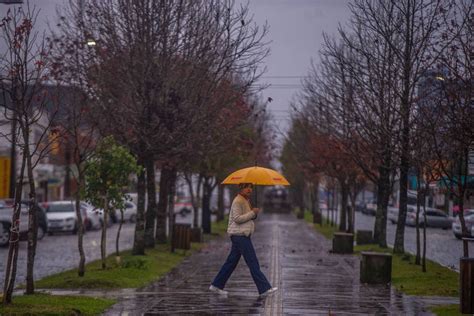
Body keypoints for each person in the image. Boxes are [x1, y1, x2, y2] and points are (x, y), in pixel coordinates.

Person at [209, 182, 278, 297]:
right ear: (241, 188)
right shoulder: (238, 201)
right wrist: (252, 213)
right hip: (239, 236)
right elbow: (237, 219)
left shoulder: (245, 200)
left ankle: (216, 285)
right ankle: (264, 289)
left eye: (251, 187)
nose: (249, 189)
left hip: (242, 235)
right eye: (246, 187)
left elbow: (247, 217)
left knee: (231, 262)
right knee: (253, 262)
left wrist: (254, 214)